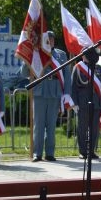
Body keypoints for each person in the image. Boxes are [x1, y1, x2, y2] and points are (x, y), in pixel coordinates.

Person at [19, 31, 71, 162]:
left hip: (54, 91)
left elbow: (67, 75)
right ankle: (37, 153)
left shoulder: (61, 55)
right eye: (48, 39)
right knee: (39, 124)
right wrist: (28, 58)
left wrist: (67, 94)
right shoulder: (37, 53)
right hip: (40, 91)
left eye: (52, 39)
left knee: (51, 125)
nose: (50, 41)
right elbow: (24, 73)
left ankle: (50, 153)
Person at [71, 54, 101, 160]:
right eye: (86, 54)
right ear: (82, 56)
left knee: (94, 129)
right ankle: (82, 151)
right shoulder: (78, 67)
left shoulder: (98, 68)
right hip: (83, 103)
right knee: (82, 128)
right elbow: (73, 86)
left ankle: (91, 151)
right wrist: (75, 103)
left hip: (96, 103)